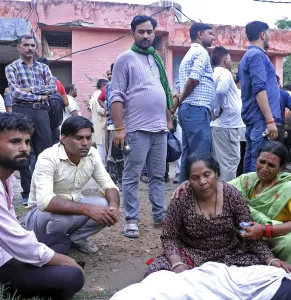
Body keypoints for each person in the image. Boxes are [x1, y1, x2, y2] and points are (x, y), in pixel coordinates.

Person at [146, 153, 291, 277]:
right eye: (195, 177)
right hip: (191, 254)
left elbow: (248, 231)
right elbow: (169, 236)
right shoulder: (182, 198)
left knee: (263, 276)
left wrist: (271, 260)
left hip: (230, 255)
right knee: (158, 274)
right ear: (188, 180)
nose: (202, 181)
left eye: (207, 174)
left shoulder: (231, 195)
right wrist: (177, 264)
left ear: (216, 174)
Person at [173, 141, 291, 265]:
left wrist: (265, 230)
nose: (264, 168)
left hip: (273, 237)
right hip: (245, 234)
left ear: (281, 168)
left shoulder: (287, 189)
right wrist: (190, 183)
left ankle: (278, 272)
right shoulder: (248, 180)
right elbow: (218, 188)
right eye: (261, 162)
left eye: (271, 165)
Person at [0, 113, 84, 300]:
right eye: (15, 142)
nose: (24, 148)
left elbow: (14, 233)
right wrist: (67, 261)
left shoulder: (6, 178)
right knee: (73, 276)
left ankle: (37, 268)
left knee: (60, 239)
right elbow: (17, 242)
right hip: (2, 262)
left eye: (27, 142)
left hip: (9, 250)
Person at [110, 15, 174, 238]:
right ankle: (131, 219)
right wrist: (119, 128)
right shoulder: (125, 59)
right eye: (141, 31)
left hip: (159, 129)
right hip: (136, 128)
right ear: (133, 33)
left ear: (154, 34)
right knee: (131, 175)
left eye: (149, 31)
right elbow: (116, 95)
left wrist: (168, 119)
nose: (146, 35)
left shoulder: (156, 59)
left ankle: (159, 216)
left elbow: (163, 92)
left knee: (157, 175)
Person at [24, 116, 120, 254]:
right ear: (63, 139)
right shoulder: (48, 157)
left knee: (105, 206)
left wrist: (114, 206)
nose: (85, 143)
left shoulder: (92, 154)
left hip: (71, 206)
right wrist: (88, 209)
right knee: (63, 217)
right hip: (39, 216)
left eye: (88, 138)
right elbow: (46, 202)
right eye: (79, 138)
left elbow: (108, 184)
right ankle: (49, 249)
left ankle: (76, 239)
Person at [115, 254, 291, 299]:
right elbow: (171, 242)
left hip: (225, 273)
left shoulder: (234, 197)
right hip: (235, 287)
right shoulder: (181, 204)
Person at [5, 35, 57, 205]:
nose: (29, 48)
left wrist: (30, 89)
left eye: (32, 45)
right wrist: (40, 96)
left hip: (42, 113)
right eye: (25, 45)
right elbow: (15, 93)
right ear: (18, 47)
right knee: (23, 152)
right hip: (22, 112)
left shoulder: (43, 67)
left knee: (46, 153)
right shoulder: (12, 68)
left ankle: (46, 190)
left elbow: (53, 88)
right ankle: (28, 192)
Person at [171, 22, 215, 183]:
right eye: (210, 33)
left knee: (189, 156)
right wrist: (181, 100)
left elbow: (178, 86)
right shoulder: (201, 53)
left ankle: (184, 197)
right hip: (196, 108)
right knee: (200, 157)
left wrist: (177, 103)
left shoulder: (187, 56)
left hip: (190, 110)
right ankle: (196, 199)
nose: (213, 37)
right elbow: (193, 80)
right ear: (200, 34)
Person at [238, 21, 280, 173]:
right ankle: (253, 196)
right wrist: (270, 120)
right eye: (267, 34)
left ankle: (246, 195)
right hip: (260, 118)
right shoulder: (256, 55)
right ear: (263, 35)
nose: (268, 37)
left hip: (255, 117)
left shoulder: (248, 56)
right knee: (260, 163)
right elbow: (259, 90)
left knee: (252, 160)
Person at [210, 46, 245, 182]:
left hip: (223, 126)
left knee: (222, 163)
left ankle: (221, 194)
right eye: (230, 59)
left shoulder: (214, 73)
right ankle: (227, 196)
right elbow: (220, 91)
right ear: (225, 60)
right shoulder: (225, 73)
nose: (231, 62)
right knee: (230, 164)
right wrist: (217, 110)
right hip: (227, 126)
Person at [90, 79, 108, 166]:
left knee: (101, 146)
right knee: (102, 147)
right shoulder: (99, 94)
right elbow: (100, 110)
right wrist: (111, 112)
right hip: (102, 124)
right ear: (103, 85)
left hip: (98, 123)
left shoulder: (94, 94)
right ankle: (103, 167)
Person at [276, 75, 291, 144]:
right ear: (279, 84)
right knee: (278, 151)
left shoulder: (261, 93)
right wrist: (288, 126)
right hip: (279, 126)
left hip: (263, 126)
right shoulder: (284, 94)